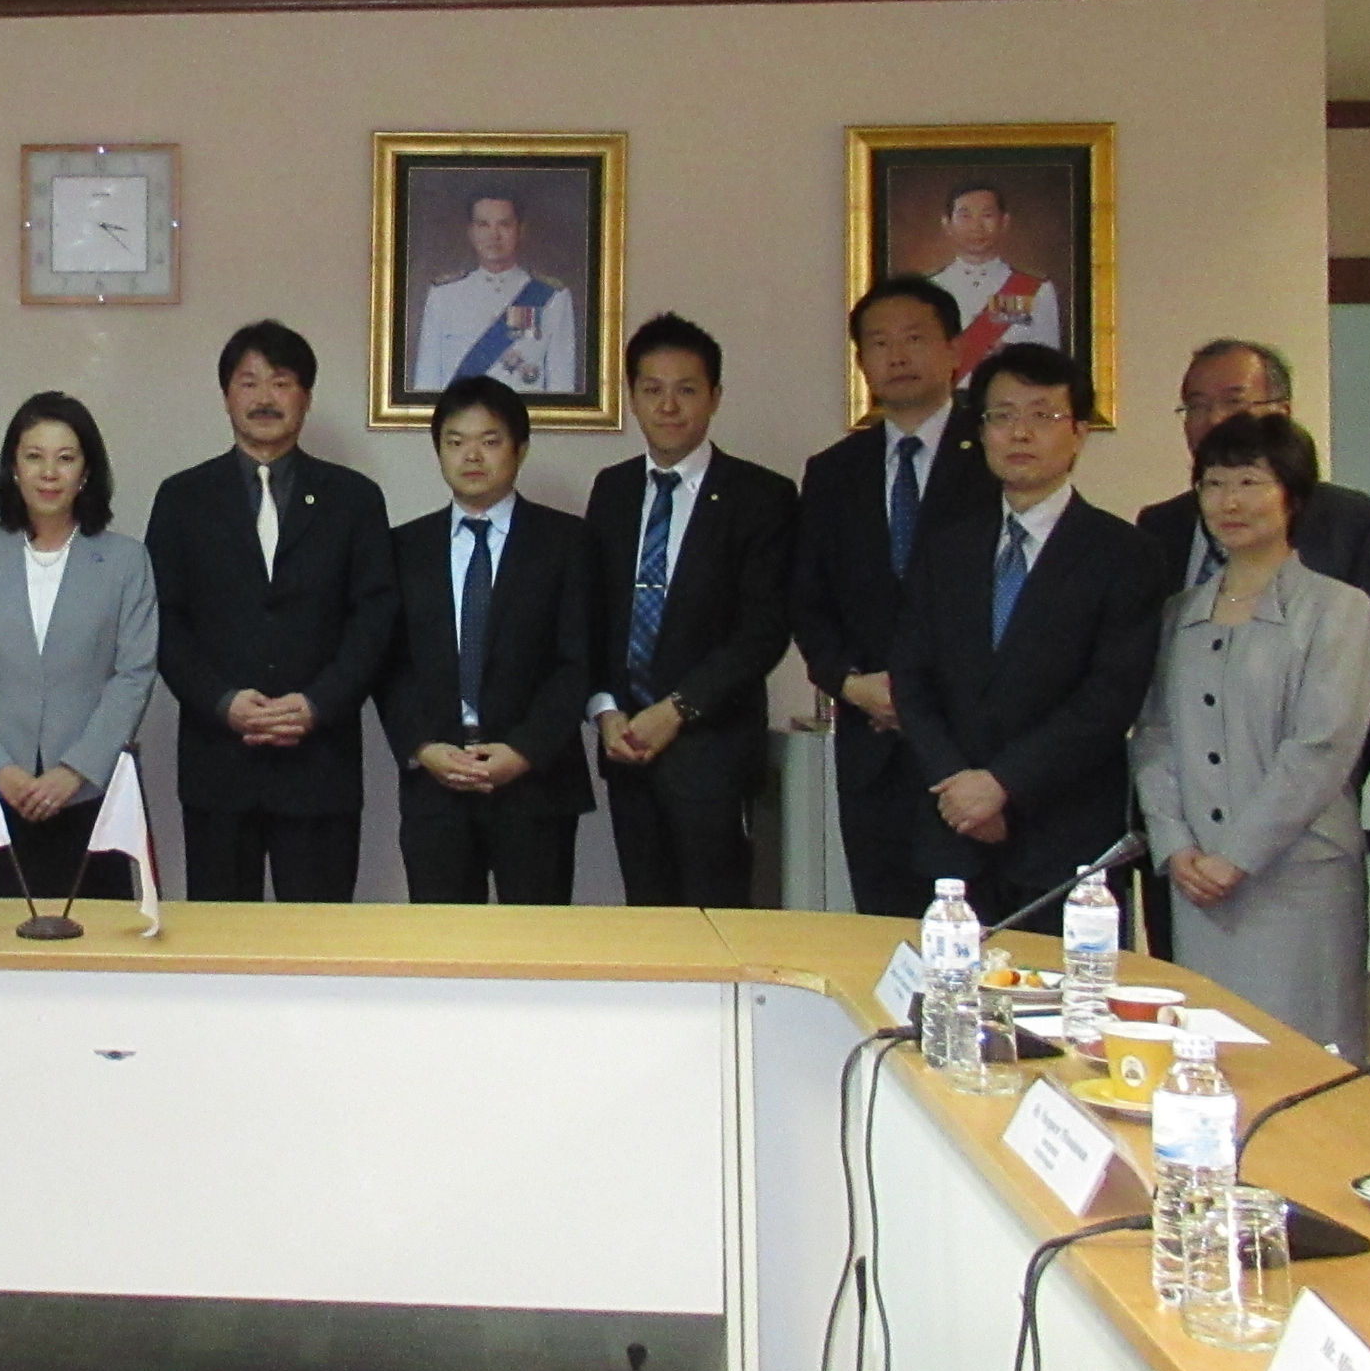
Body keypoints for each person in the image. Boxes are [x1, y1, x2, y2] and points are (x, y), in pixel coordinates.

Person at [888, 343, 1170, 913]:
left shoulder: (1124, 554)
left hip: (1065, 836)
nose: (1020, 433)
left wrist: (1002, 785)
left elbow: (1110, 698)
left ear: (1080, 433)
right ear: (981, 432)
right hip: (953, 832)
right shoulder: (945, 548)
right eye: (1003, 415)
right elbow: (912, 678)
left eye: (1043, 416)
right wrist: (959, 784)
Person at [1132, 413, 1370, 1056]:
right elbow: (1155, 737)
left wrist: (1235, 856)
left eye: (1251, 482)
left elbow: (1322, 747)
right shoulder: (1179, 612)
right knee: (1207, 1057)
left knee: (1302, 1058)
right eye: (1214, 484)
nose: (1230, 502)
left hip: (1297, 879)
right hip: (1196, 883)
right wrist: (1175, 846)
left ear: (1292, 497)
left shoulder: (1338, 608)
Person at [143, 320, 396, 902]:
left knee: (318, 940)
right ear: (226, 395)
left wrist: (318, 703)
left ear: (306, 397)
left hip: (320, 762)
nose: (264, 398)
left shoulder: (355, 499)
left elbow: (374, 620)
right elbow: (162, 619)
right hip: (218, 762)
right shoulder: (182, 498)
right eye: (249, 381)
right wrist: (222, 702)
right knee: (221, 940)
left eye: (281, 382)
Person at [793, 275, 995, 913]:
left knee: (979, 932)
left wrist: (921, 697)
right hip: (872, 742)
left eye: (914, 338)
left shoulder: (995, 456)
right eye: (879, 343)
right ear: (862, 362)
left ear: (955, 350)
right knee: (884, 926)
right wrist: (850, 684)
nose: (897, 355)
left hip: (972, 745)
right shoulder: (833, 471)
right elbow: (808, 601)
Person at [586, 315, 797, 908]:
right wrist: (605, 709)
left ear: (715, 396)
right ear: (632, 397)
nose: (668, 406)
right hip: (626, 745)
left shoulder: (762, 495)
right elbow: (594, 614)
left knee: (717, 920)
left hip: (713, 750)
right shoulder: (613, 489)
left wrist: (676, 709)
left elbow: (764, 630)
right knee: (647, 920)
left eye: (686, 389)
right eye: (652, 389)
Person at [0, 393, 162, 907]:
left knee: (98, 936)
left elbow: (134, 674)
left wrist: (75, 770)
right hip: (0, 792)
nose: (49, 473)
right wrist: (1, 767)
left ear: (87, 471)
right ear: (13, 468)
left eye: (65, 458)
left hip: (90, 793)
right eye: (34, 456)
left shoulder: (126, 561)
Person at [377, 376, 594, 902]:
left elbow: (579, 662)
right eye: (455, 441)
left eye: (489, 441)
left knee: (536, 944)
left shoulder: (568, 542)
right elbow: (389, 664)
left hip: (535, 784)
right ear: (438, 451)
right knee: (443, 944)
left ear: (520, 448)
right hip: (437, 784)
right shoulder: (403, 548)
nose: (471, 456)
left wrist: (523, 751)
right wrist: (424, 747)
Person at [1135, 337, 1370, 720]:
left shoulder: (1360, 526)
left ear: (1282, 414)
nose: (1213, 420)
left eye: (1233, 401)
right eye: (1197, 406)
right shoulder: (1160, 526)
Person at [410, 191, 580, 395]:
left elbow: (561, 385)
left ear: (521, 230)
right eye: (483, 225)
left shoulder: (552, 297)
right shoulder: (444, 295)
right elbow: (427, 382)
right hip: (462, 412)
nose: (494, 235)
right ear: (471, 232)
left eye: (504, 225)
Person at [929, 180, 1061, 377]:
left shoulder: (1036, 289)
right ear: (947, 223)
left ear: (1004, 222)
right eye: (965, 216)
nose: (976, 226)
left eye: (987, 215)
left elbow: (1051, 363)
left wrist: (1013, 355)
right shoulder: (929, 289)